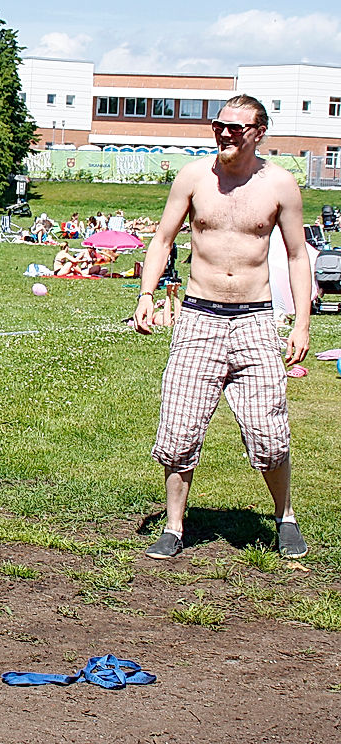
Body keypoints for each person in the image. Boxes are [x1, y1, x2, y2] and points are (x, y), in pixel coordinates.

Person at [132, 95, 311, 561]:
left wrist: (302, 324)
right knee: (178, 428)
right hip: (197, 318)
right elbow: (163, 238)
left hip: (255, 320)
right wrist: (147, 294)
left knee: (269, 435)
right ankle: (174, 527)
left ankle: (285, 517)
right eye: (219, 126)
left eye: (237, 127)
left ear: (259, 132)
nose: (226, 134)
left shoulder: (281, 185)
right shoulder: (194, 178)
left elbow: (296, 255)